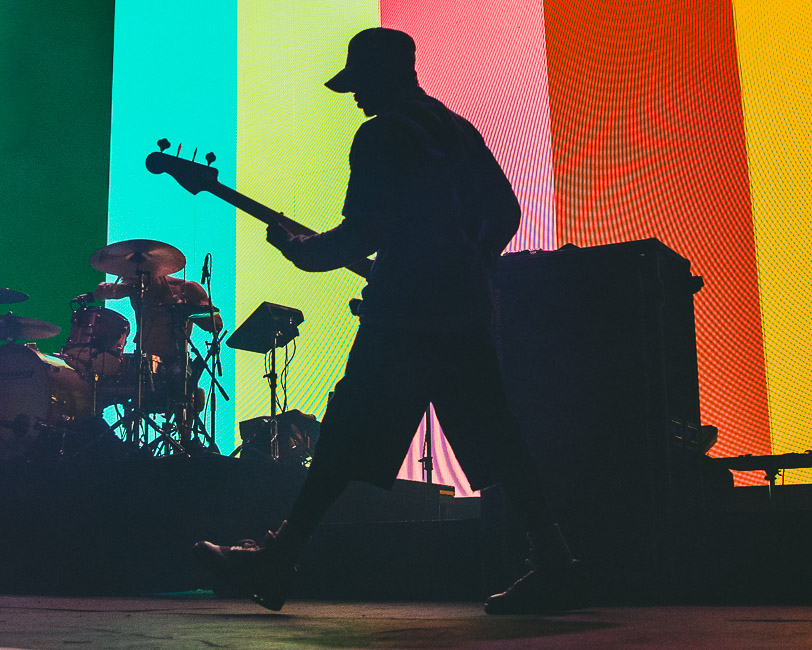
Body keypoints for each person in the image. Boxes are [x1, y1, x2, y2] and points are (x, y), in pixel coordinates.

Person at [194, 27, 585, 614]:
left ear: (384, 75)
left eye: (358, 85)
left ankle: (278, 560)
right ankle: (556, 563)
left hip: (403, 322)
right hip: (463, 316)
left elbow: (364, 232)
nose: (354, 99)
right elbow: (506, 210)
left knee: (343, 440)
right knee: (499, 441)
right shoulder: (454, 128)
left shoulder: (380, 135)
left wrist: (303, 253)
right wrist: (468, 267)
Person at [94, 273, 223, 445]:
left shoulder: (186, 289)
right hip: (143, 360)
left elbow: (217, 323)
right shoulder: (136, 286)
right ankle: (107, 442)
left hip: (175, 361)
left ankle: (184, 444)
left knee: (182, 381)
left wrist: (186, 309)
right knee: (101, 382)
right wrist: (119, 288)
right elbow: (102, 292)